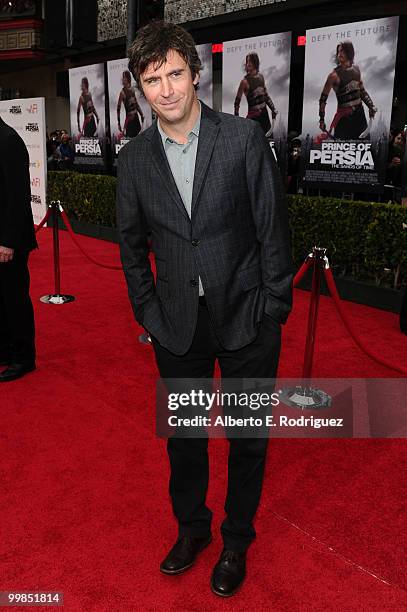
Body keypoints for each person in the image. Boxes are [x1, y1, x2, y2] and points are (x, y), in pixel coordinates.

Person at [117, 21, 293, 597]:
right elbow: (131, 244)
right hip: (177, 325)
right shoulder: (135, 158)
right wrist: (149, 312)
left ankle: (237, 540)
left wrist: (274, 309)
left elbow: (272, 230)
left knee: (247, 439)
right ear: (140, 88)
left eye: (174, 74)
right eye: (152, 79)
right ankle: (193, 530)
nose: (165, 89)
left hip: (246, 317)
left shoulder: (242, 138)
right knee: (185, 440)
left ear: (195, 73)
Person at [0, 116, 37, 382]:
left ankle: (24, 357)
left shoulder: (9, 140)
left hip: (8, 240)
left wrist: (8, 241)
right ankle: (5, 349)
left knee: (14, 299)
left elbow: (18, 196)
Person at [319, 41, 377, 140]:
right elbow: (323, 99)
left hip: (359, 115)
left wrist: (371, 105)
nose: (339, 54)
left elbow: (362, 91)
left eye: (342, 51)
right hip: (344, 118)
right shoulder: (333, 76)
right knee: (342, 148)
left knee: (364, 146)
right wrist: (321, 120)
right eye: (338, 52)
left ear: (349, 52)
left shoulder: (357, 70)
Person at [234, 52, 277, 136]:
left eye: (250, 61)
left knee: (267, 141)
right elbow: (237, 102)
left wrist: (273, 108)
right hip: (253, 116)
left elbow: (266, 96)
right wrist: (237, 118)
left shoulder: (261, 77)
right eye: (247, 61)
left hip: (264, 115)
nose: (248, 63)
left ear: (255, 62)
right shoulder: (244, 82)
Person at [117, 70, 145, 139]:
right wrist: (119, 122)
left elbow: (136, 104)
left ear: (128, 78)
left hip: (136, 118)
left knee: (138, 138)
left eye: (124, 77)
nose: (123, 79)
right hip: (129, 120)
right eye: (123, 77)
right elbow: (118, 108)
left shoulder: (132, 90)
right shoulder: (122, 93)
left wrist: (141, 114)